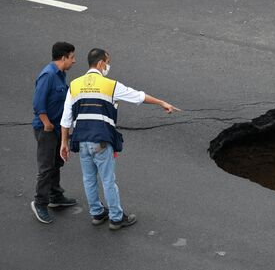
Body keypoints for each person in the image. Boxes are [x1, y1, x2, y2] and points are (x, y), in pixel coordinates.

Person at [59, 48, 179, 231]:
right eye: (107, 62)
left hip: (81, 140)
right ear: (100, 63)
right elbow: (137, 96)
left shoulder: (74, 85)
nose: (108, 65)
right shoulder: (110, 85)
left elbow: (66, 118)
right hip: (100, 140)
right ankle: (116, 218)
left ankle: (97, 214)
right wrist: (162, 102)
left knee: (88, 179)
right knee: (108, 180)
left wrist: (64, 143)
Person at [31, 42, 78, 224]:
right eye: (72, 57)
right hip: (47, 129)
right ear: (63, 57)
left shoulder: (61, 75)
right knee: (46, 167)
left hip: (58, 127)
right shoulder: (48, 75)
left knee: (57, 161)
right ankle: (40, 203)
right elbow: (38, 103)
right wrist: (46, 123)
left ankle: (55, 196)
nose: (74, 61)